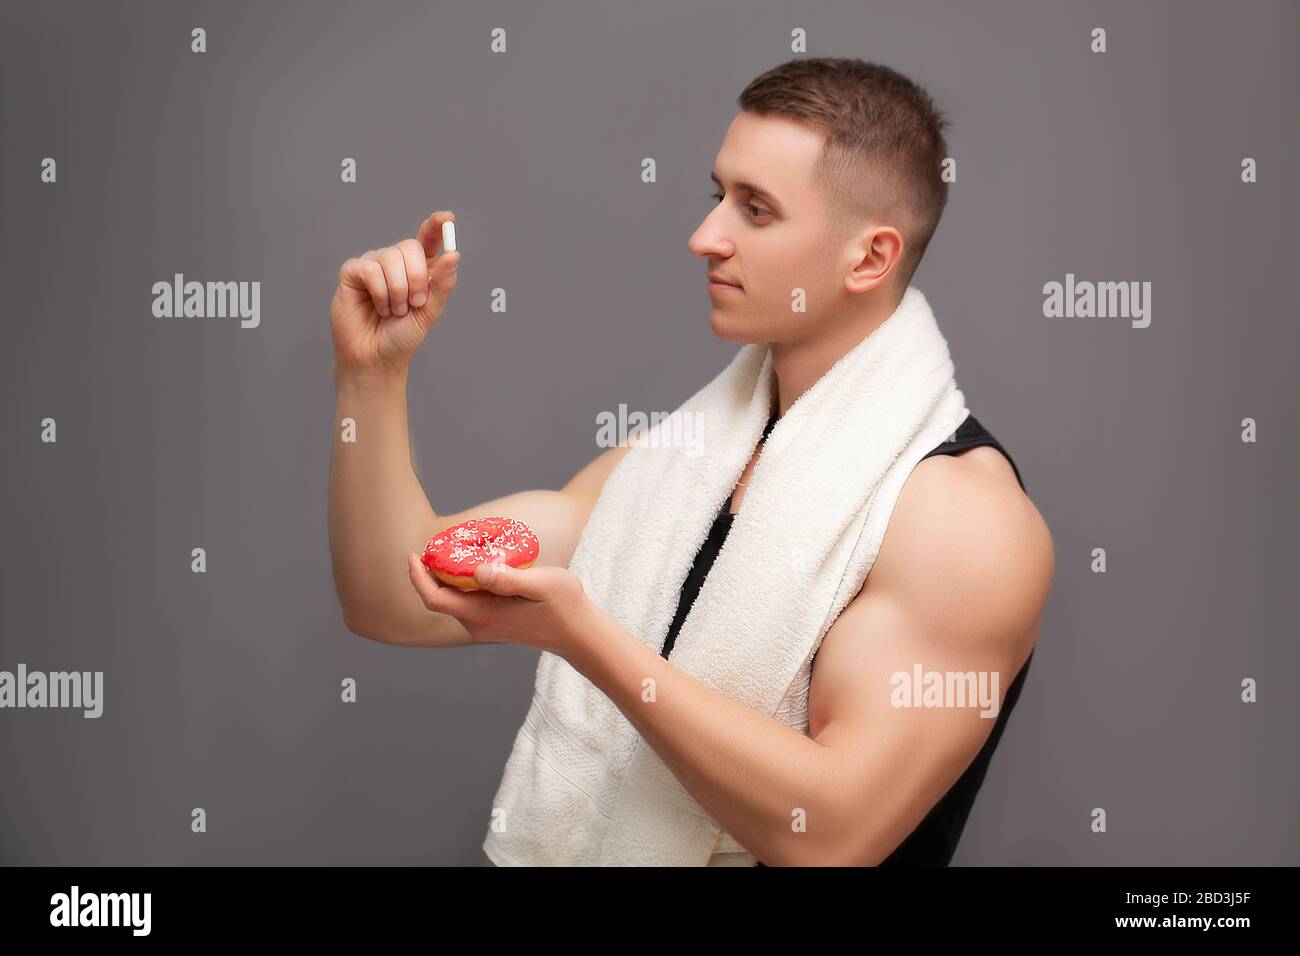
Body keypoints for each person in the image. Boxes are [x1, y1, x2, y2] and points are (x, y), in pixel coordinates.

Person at [328, 57, 1054, 866]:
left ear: (869, 258)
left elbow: (834, 832)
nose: (706, 237)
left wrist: (588, 642)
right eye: (719, 196)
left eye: (757, 210)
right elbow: (395, 600)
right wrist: (372, 375)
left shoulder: (963, 519)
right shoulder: (678, 467)